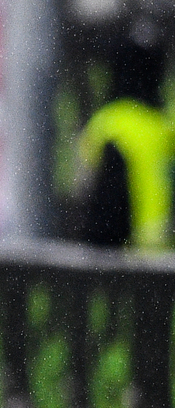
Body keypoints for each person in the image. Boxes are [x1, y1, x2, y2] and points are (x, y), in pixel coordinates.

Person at [74, 41, 175, 251]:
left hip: (120, 256)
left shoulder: (105, 124)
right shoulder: (164, 127)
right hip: (162, 255)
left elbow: (90, 194)